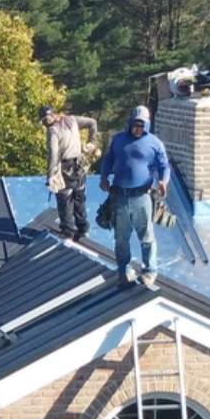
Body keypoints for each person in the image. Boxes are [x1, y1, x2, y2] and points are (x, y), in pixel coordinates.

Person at [98, 105, 169, 288]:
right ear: (130, 123)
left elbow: (164, 166)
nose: (138, 128)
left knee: (147, 237)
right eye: (135, 124)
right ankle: (124, 271)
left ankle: (149, 271)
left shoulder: (155, 143)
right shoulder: (119, 140)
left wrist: (163, 181)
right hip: (120, 196)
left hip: (142, 196)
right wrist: (104, 177)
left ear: (147, 125)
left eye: (141, 125)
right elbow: (108, 159)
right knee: (121, 238)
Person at [43, 106, 92, 241]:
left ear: (51, 116)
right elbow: (92, 122)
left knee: (64, 198)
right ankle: (83, 228)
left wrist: (51, 175)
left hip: (66, 167)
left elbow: (53, 154)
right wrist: (92, 142)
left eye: (45, 120)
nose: (45, 123)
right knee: (79, 196)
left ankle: (68, 231)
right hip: (79, 165)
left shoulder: (53, 130)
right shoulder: (72, 120)